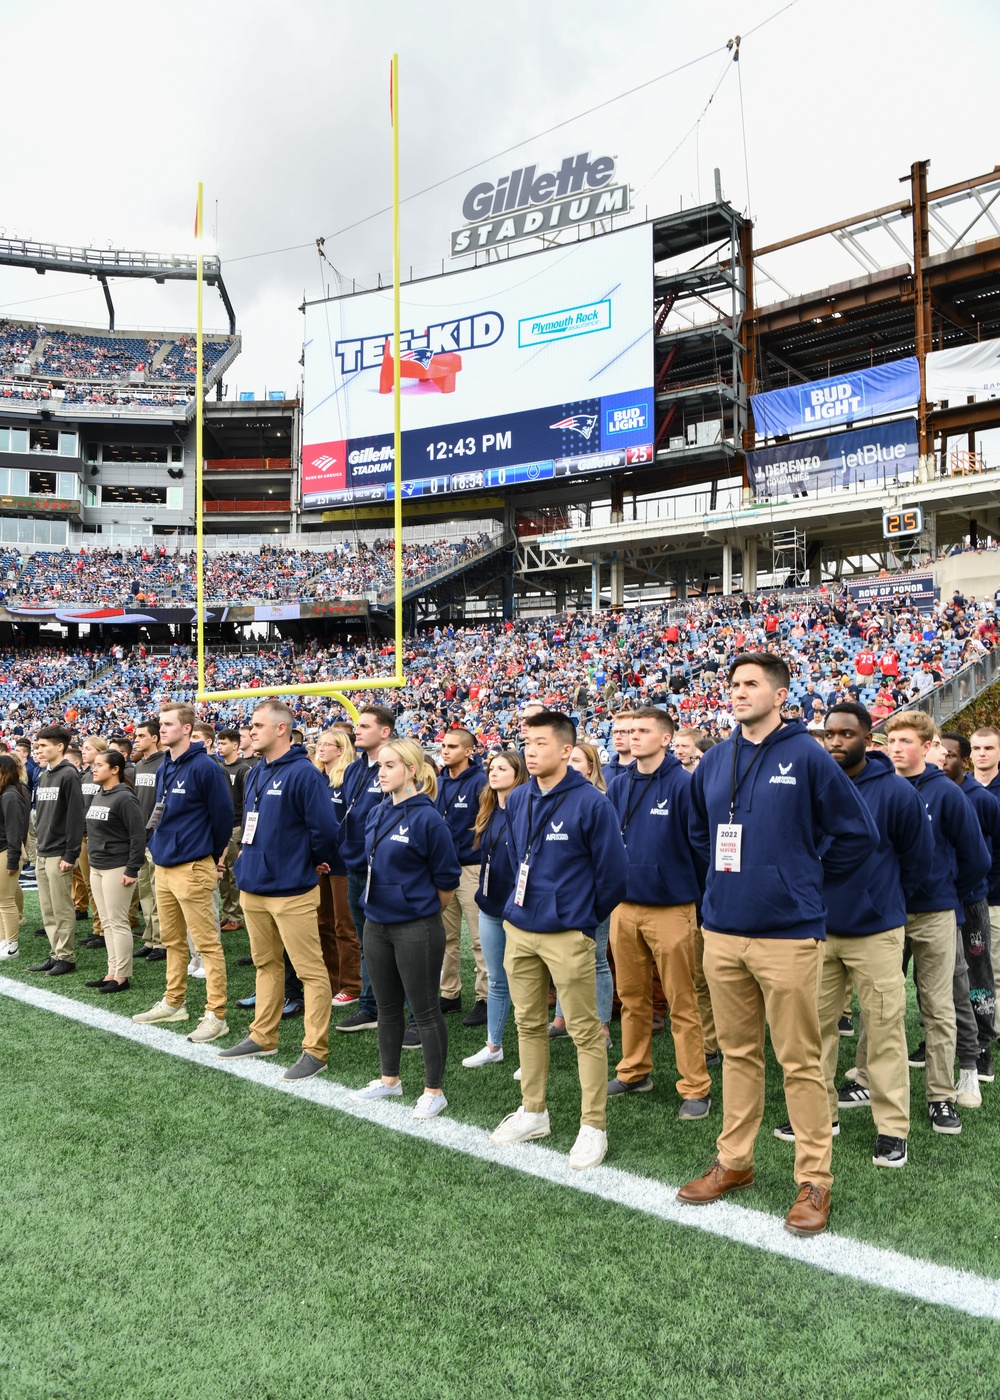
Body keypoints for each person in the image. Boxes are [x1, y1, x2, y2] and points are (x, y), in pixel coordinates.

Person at [678, 653, 876, 1237]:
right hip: (723, 931)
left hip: (788, 934)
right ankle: (734, 1162)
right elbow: (697, 833)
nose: (738, 692)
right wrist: (718, 888)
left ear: (780, 694)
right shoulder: (714, 759)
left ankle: (814, 1180)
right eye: (733, 684)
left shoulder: (809, 755)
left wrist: (802, 879)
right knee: (738, 1055)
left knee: (800, 1061)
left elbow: (855, 834)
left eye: (750, 684)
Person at [490, 709, 628, 1171]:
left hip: (567, 932)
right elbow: (517, 857)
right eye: (526, 742)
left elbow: (613, 877)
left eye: (541, 743)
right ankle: (534, 1112)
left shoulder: (591, 802)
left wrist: (580, 921)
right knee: (528, 1024)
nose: (530, 750)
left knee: (584, 1030)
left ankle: (593, 1126)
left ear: (567, 750)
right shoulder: (522, 795)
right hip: (520, 927)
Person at [803, 703, 933, 1169]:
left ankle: (892, 1129)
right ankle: (822, 1117)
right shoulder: (812, 788)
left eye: (846, 734)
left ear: (867, 738)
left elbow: (919, 860)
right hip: (817, 931)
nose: (836, 742)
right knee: (813, 1034)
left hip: (875, 932)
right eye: (829, 734)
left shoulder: (896, 792)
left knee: (883, 1033)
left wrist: (885, 903)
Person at [220, 700, 342, 1080]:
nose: (250, 731)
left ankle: (315, 1050)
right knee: (265, 964)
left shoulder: (305, 774)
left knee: (309, 971)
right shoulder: (257, 771)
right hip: (253, 884)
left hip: (291, 889)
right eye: (250, 726)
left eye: (257, 725)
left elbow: (325, 830)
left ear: (281, 730)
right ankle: (263, 1035)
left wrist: (312, 859)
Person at [884, 711, 990, 1135]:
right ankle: (866, 1080)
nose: (896, 748)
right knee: (881, 1004)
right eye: (892, 741)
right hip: (887, 914)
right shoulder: (881, 788)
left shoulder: (947, 794)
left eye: (905, 741)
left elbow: (976, 859)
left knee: (939, 1005)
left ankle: (941, 1096)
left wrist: (942, 890)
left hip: (935, 913)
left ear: (928, 748)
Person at [606, 708, 711, 1117]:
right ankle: (634, 1071)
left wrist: (700, 903)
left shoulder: (685, 786)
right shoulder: (618, 785)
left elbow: (701, 849)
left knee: (682, 1001)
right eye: (629, 730)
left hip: (671, 908)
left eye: (642, 730)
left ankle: (695, 1086)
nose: (633, 737)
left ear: (666, 738)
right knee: (631, 997)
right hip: (625, 907)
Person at [349, 738, 461, 1117]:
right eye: (380, 765)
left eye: (391, 765)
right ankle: (389, 1080)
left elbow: (446, 881)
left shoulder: (429, 818)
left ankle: (434, 1090)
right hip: (376, 923)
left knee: (425, 1009)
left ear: (411, 770)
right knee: (386, 1007)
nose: (381, 771)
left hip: (416, 927)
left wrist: (418, 908)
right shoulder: (378, 810)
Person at [132, 702, 234, 1043]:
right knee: (172, 940)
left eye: (168, 724)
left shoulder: (206, 767)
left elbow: (222, 820)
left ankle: (216, 1014)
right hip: (163, 863)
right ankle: (174, 1002)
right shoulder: (165, 766)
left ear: (187, 729)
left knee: (207, 944)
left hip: (191, 865)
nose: (162, 728)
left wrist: (207, 854)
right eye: (160, 723)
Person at [939, 732, 998, 1091]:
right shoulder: (924, 790)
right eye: (938, 752)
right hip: (939, 902)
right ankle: (940, 1041)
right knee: (941, 977)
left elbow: (990, 853)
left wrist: (979, 887)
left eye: (949, 755)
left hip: (972, 900)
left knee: (977, 975)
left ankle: (982, 1046)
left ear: (963, 761)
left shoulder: (981, 799)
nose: (942, 759)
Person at [463, 749, 527, 1068]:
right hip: (489, 904)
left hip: (519, 909)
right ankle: (494, 1045)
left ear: (518, 774)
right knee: (496, 977)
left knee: (526, 980)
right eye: (491, 767)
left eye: (502, 768)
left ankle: (531, 1052)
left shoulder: (527, 809)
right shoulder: (488, 808)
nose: (493, 772)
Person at [335, 704, 394, 1034]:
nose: (357, 731)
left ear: (384, 732)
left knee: (395, 942)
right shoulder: (355, 770)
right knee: (365, 941)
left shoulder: (395, 766)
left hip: (384, 873)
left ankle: (403, 1010)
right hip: (355, 868)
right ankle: (370, 1006)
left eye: (365, 726)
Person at [550, 741, 614, 1047]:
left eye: (578, 760)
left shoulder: (599, 800)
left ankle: (601, 1025)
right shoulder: (555, 798)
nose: (571, 764)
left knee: (598, 959)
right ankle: (562, 1019)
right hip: (561, 893)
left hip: (591, 893)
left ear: (591, 766)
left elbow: (609, 860)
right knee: (563, 959)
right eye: (569, 759)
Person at [435, 727, 488, 1026]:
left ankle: (485, 998)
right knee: (446, 937)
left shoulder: (481, 782)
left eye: (453, 746)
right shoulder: (438, 781)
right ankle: (450, 994)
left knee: (479, 939)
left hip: (471, 867)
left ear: (469, 751)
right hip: (444, 869)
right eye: (444, 745)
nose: (445, 750)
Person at [83, 749, 145, 993]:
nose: (93, 768)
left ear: (115, 769)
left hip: (117, 866)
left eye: (99, 765)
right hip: (97, 865)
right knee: (107, 922)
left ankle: (122, 976)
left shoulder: (125, 797)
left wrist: (132, 868)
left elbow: (138, 836)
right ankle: (112, 971)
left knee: (118, 922)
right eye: (93, 765)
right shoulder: (101, 792)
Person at [28, 725, 85, 977]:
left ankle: (66, 956)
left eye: (43, 745)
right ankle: (55, 952)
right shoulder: (44, 775)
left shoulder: (68, 775)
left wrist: (70, 853)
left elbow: (74, 818)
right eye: (37, 745)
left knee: (61, 907)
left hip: (59, 851)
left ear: (59, 746)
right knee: (47, 907)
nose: (38, 750)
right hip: (43, 849)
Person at [314, 728, 362, 1006]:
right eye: (319, 744)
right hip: (321, 862)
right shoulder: (316, 777)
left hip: (342, 863)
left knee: (345, 926)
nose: (320, 749)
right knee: (323, 923)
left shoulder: (348, 779)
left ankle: (351, 984)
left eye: (326, 745)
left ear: (341, 749)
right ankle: (331, 980)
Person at [970, 726, 1000, 1034]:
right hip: (968, 895)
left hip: (995, 894)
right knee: (970, 968)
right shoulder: (959, 787)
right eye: (977, 748)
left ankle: (994, 1031)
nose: (982, 753)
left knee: (996, 967)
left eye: (989, 748)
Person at [132, 719, 166, 961]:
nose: (136, 739)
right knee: (145, 891)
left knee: (158, 892)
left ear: (154, 738)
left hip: (156, 836)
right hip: (139, 836)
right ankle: (150, 938)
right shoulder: (139, 766)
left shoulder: (164, 762)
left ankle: (163, 941)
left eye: (141, 736)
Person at [75, 735, 108, 946]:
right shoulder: (85, 776)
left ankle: (104, 930)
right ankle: (98, 928)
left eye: (88, 748)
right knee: (89, 885)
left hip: (98, 836)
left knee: (100, 887)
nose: (83, 751)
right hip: (83, 835)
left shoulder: (103, 777)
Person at [216, 727, 250, 932]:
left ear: (235, 745)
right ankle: (227, 913)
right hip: (223, 825)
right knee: (223, 874)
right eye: (219, 743)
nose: (220, 746)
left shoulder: (243, 769)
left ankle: (236, 917)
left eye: (224, 743)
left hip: (236, 825)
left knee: (233, 872)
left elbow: (246, 802)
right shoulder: (219, 767)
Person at [0, 754, 29, 961]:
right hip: (3, 849)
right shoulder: (6, 793)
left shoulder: (11, 795)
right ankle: (4, 942)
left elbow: (14, 831)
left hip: (6, 852)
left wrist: (12, 859)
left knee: (6, 901)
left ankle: (11, 945)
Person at [601, 713, 634, 787]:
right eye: (615, 732)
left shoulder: (647, 771)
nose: (618, 737)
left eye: (624, 732)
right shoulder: (602, 773)